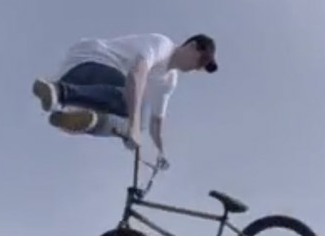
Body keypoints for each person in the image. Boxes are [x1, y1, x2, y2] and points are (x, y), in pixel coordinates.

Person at [31, 33, 218, 168]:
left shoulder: (169, 81)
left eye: (201, 67)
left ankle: (85, 120)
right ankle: (59, 91)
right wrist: (134, 128)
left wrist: (160, 152)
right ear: (192, 46)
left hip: (89, 88)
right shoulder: (162, 45)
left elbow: (156, 121)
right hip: (89, 63)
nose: (196, 68)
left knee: (137, 119)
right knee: (134, 107)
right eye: (200, 61)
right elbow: (136, 75)